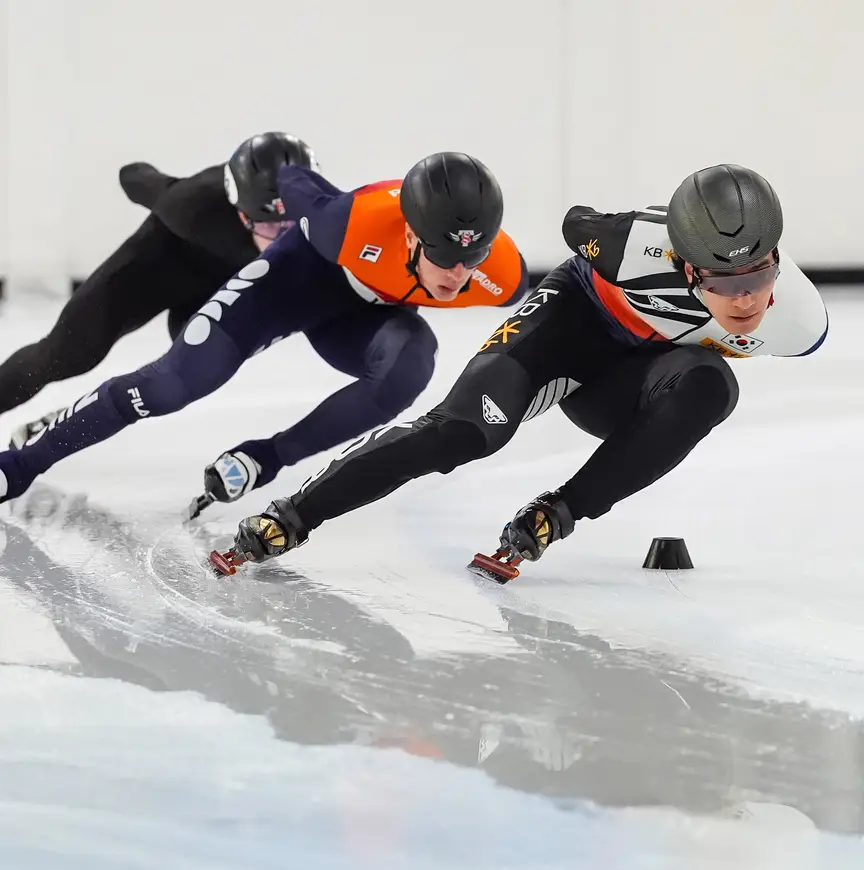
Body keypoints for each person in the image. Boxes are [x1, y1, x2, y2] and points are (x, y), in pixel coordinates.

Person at [214, 163, 829, 580]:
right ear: (687, 266)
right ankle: (294, 515)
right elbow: (576, 223)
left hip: (630, 389)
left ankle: (557, 513)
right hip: (571, 331)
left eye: (758, 277)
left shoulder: (798, 321)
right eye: (724, 282)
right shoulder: (633, 247)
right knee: (462, 432)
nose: (746, 300)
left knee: (711, 383)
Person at [0, 152, 529, 515]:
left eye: (472, 257)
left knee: (412, 365)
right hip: (296, 280)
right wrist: (276, 171)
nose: (458, 274)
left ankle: (265, 457)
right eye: (443, 256)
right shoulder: (351, 220)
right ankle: (19, 465)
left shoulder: (500, 274)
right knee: (173, 385)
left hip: (361, 319)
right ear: (411, 233)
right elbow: (297, 184)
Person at [2, 131, 319, 449]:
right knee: (67, 354)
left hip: (216, 288)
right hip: (153, 270)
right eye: (267, 225)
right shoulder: (193, 203)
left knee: (190, 373)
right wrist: (138, 171)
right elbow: (136, 177)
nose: (280, 238)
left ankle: (63, 424)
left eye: (290, 224)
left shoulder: (323, 215)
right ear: (239, 210)